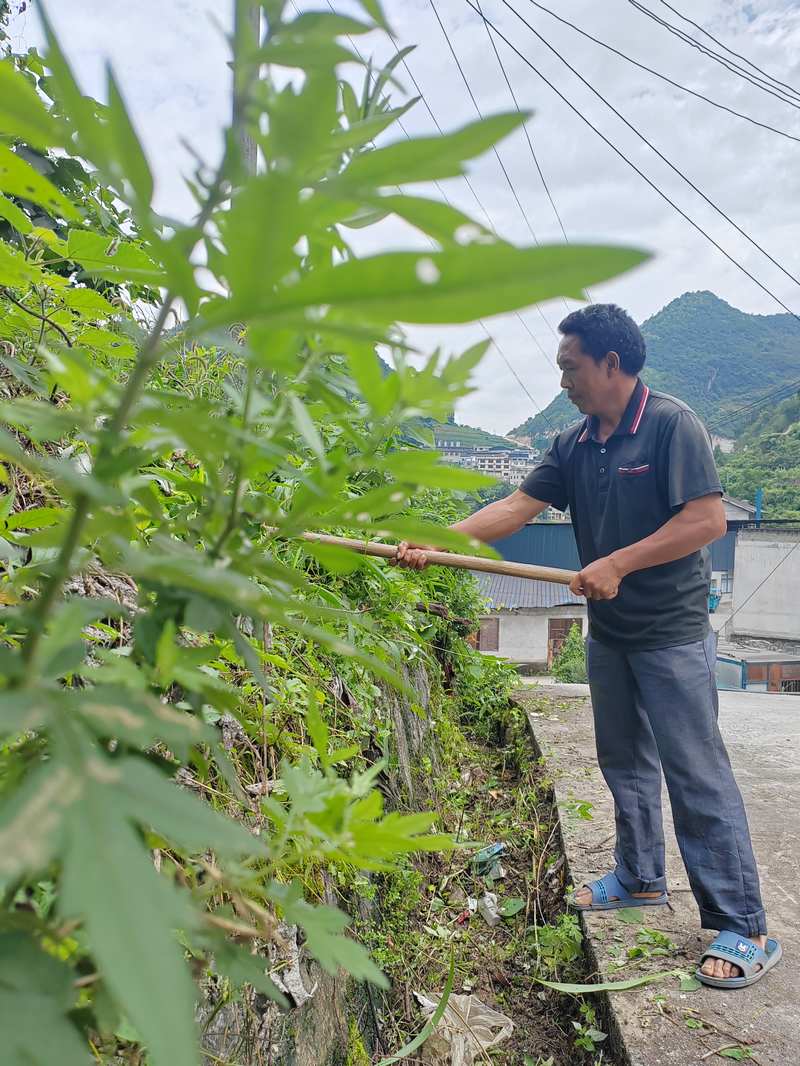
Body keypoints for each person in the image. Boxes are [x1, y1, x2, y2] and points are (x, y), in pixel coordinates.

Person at [396, 304, 781, 988]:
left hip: (670, 632)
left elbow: (705, 520)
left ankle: (744, 923)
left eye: (570, 367)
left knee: (696, 773)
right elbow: (517, 508)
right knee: (624, 762)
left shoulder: (671, 424)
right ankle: (639, 878)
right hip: (611, 633)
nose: (565, 379)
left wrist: (619, 562)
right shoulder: (573, 444)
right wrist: (440, 541)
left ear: (611, 363)